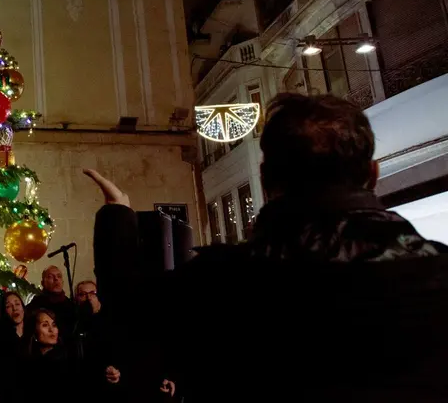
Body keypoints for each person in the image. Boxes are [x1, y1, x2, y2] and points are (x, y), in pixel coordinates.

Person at [88, 93, 448, 402]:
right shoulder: (437, 273)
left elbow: (128, 304)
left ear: (265, 176)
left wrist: (118, 214)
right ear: (373, 173)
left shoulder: (221, 282)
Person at [72, 281, 123, 401]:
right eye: (83, 294)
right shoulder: (75, 324)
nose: (89, 297)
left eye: (92, 293)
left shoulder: (111, 319)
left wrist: (95, 314)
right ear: (76, 299)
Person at [18, 308, 72, 403]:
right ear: (34, 332)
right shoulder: (27, 364)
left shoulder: (66, 361)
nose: (51, 330)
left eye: (54, 325)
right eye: (45, 325)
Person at [26, 267, 76, 337]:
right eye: (50, 277)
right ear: (43, 283)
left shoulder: (70, 304)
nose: (56, 279)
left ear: (62, 281)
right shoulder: (36, 304)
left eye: (59, 276)